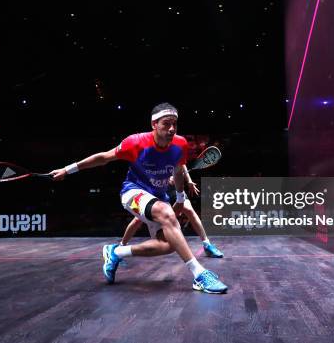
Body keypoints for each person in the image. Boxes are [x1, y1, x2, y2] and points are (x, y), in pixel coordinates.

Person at [49, 103, 228, 293]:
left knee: (167, 245)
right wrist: (68, 170)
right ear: (154, 124)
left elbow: (177, 171)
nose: (171, 129)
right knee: (166, 213)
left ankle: (116, 252)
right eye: (166, 124)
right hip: (133, 192)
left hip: (159, 197)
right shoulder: (135, 142)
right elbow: (104, 157)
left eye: (175, 124)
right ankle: (199, 274)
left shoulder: (180, 144)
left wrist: (181, 196)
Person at [119, 164, 224, 258]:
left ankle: (207, 244)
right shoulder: (151, 150)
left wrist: (189, 180)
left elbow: (182, 164)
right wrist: (166, 178)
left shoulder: (176, 147)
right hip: (155, 188)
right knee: (138, 219)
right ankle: (121, 247)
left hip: (174, 188)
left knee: (189, 209)